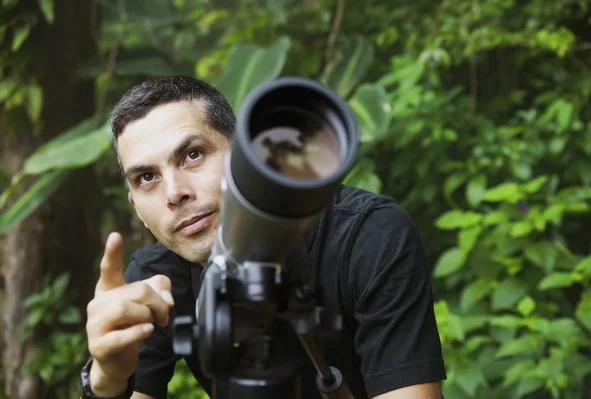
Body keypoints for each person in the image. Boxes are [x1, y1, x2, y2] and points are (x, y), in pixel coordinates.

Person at [82, 75, 447, 399]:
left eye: (193, 155)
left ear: (246, 155)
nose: (174, 192)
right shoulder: (158, 280)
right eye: (147, 178)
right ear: (136, 207)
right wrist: (106, 380)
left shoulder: (365, 235)